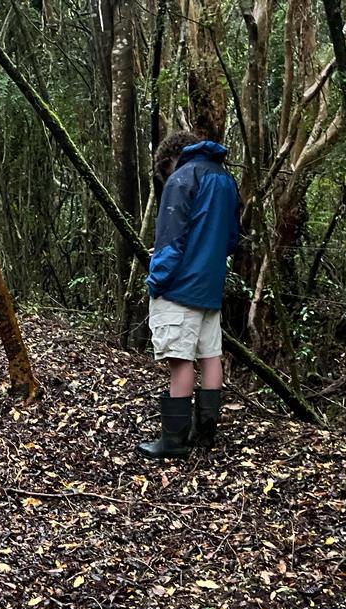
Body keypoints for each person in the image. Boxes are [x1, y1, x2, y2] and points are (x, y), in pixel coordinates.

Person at [138, 132, 241, 459]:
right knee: (210, 355)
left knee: (181, 361)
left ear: (170, 160)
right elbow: (227, 238)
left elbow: (173, 237)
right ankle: (205, 435)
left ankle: (174, 442)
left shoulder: (181, 178)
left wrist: (156, 278)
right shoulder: (225, 179)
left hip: (180, 287)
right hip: (209, 286)